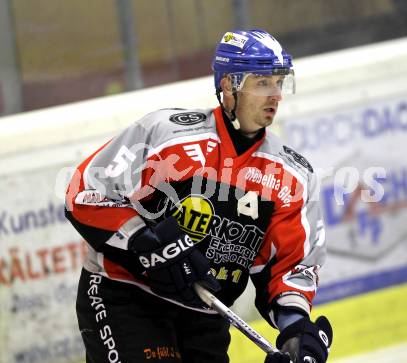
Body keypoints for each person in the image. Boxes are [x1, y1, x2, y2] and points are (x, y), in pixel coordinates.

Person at [65, 29, 332, 363]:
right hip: (127, 296)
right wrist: (144, 242)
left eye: (279, 82)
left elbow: (289, 268)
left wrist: (295, 332)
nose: (276, 95)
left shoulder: (291, 176)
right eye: (262, 82)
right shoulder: (166, 135)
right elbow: (85, 193)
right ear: (228, 86)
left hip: (205, 315)